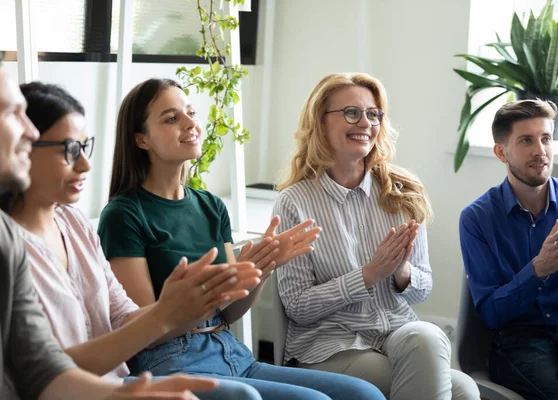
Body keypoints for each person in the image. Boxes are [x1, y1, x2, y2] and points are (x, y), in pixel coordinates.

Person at [97, 77, 384, 400]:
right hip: (171, 361)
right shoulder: (124, 215)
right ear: (141, 140)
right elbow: (145, 332)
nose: (191, 123)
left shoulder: (211, 206)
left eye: (190, 112)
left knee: (365, 394)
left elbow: (228, 313)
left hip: (230, 351)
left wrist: (261, 271)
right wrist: (214, 289)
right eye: (172, 118)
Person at [3, 81, 267, 399]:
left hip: (118, 380)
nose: (85, 165)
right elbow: (42, 371)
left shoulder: (74, 223)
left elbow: (121, 316)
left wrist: (176, 308)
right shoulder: (16, 240)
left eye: (85, 148)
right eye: (71, 150)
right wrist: (169, 312)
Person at [273, 72, 479, 400]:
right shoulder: (295, 202)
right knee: (461, 393)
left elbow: (421, 289)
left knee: (436, 348)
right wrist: (368, 275)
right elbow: (297, 305)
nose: (365, 123)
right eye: (351, 113)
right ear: (320, 122)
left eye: (373, 114)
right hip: (329, 346)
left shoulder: (402, 192)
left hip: (395, 333)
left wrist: (401, 271)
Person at [459, 99, 558, 399]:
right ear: (501, 152)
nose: (540, 150)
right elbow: (490, 314)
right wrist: (538, 270)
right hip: (518, 340)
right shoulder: (476, 219)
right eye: (526, 140)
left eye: (546, 138)